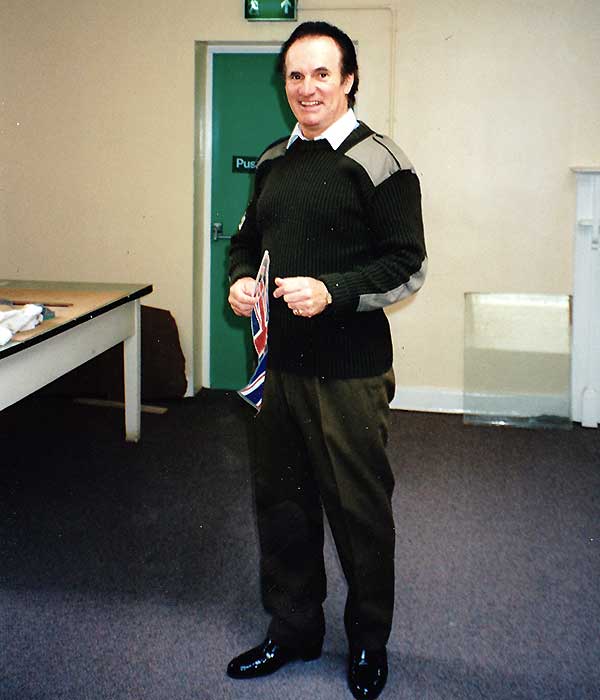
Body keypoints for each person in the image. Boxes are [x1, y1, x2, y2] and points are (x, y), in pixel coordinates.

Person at [226, 20, 426, 700]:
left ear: (348, 81)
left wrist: (334, 292)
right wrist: (239, 279)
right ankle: (293, 630)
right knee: (281, 504)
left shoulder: (381, 162)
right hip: (277, 369)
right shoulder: (276, 159)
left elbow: (407, 267)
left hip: (349, 372)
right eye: (295, 76)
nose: (307, 88)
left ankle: (369, 643)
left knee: (359, 512)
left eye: (321, 74)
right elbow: (247, 242)